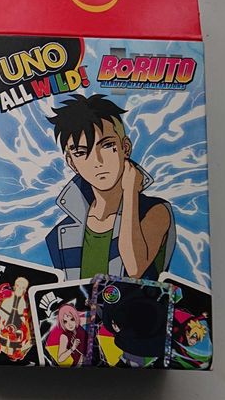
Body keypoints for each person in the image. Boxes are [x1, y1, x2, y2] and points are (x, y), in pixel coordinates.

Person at [45, 94, 176, 280]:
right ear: (72, 162)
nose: (97, 161)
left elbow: (134, 268)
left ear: (125, 148)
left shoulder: (155, 212)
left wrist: (130, 192)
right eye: (81, 152)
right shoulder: (59, 235)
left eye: (107, 145)